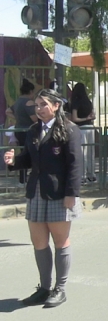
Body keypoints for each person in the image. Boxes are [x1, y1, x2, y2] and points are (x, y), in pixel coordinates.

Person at [4, 88, 83, 308]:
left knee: (60, 242)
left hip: (59, 193)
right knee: (38, 242)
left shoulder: (70, 130)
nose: (39, 109)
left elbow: (75, 164)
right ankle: (44, 288)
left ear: (56, 106)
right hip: (36, 191)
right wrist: (14, 161)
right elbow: (29, 159)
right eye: (37, 105)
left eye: (43, 105)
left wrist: (71, 194)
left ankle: (60, 288)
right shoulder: (33, 130)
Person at [7, 78, 38, 184]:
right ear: (31, 91)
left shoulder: (18, 101)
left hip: (18, 130)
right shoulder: (29, 102)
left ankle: (22, 178)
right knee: (31, 153)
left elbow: (8, 111)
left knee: (22, 153)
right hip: (28, 131)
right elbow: (34, 118)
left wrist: (18, 118)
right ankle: (32, 177)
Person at [67, 82, 96, 184]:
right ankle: (91, 174)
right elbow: (93, 115)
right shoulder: (88, 101)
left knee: (82, 152)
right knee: (91, 152)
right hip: (91, 127)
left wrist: (85, 118)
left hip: (82, 128)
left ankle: (82, 176)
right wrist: (89, 118)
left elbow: (74, 118)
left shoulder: (76, 102)